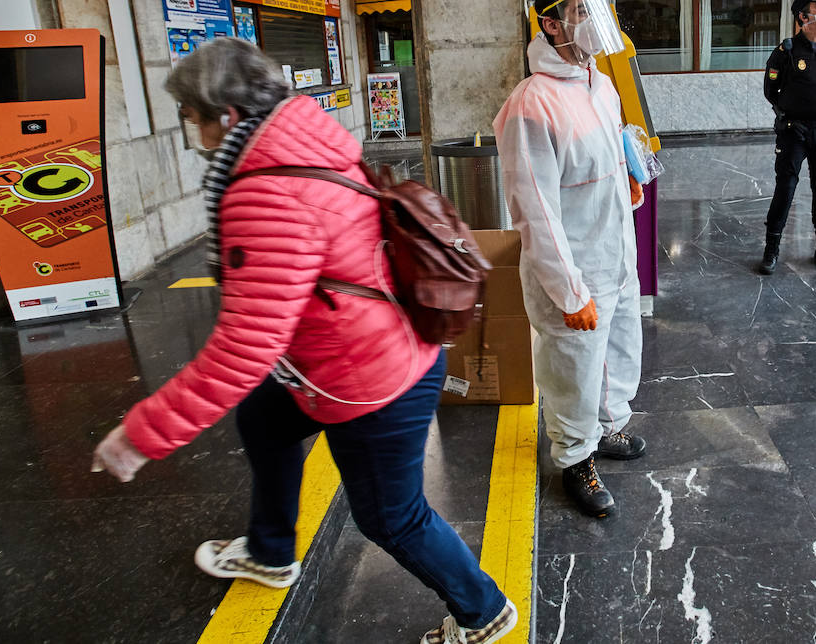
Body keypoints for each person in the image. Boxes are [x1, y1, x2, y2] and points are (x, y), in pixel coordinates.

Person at [90, 38, 516, 644]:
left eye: (191, 114)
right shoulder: (304, 143)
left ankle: (484, 612)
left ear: (227, 117)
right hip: (363, 347)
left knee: (392, 519)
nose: (190, 128)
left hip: (369, 381)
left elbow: (244, 347)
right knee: (266, 419)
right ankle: (269, 553)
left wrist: (141, 435)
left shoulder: (263, 189)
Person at [493, 0, 645, 519]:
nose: (591, 22)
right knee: (573, 369)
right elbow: (534, 210)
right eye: (579, 12)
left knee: (619, 350)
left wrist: (624, 176)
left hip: (615, 251)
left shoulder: (599, 84)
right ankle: (574, 458)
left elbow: (602, 154)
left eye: (593, 9)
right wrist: (568, 289)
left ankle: (608, 428)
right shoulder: (530, 105)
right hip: (576, 267)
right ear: (550, 22)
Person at [758, 0, 816, 275]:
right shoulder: (786, 52)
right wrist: (787, 116)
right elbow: (771, 91)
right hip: (793, 131)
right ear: (802, 15)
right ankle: (771, 249)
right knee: (785, 188)